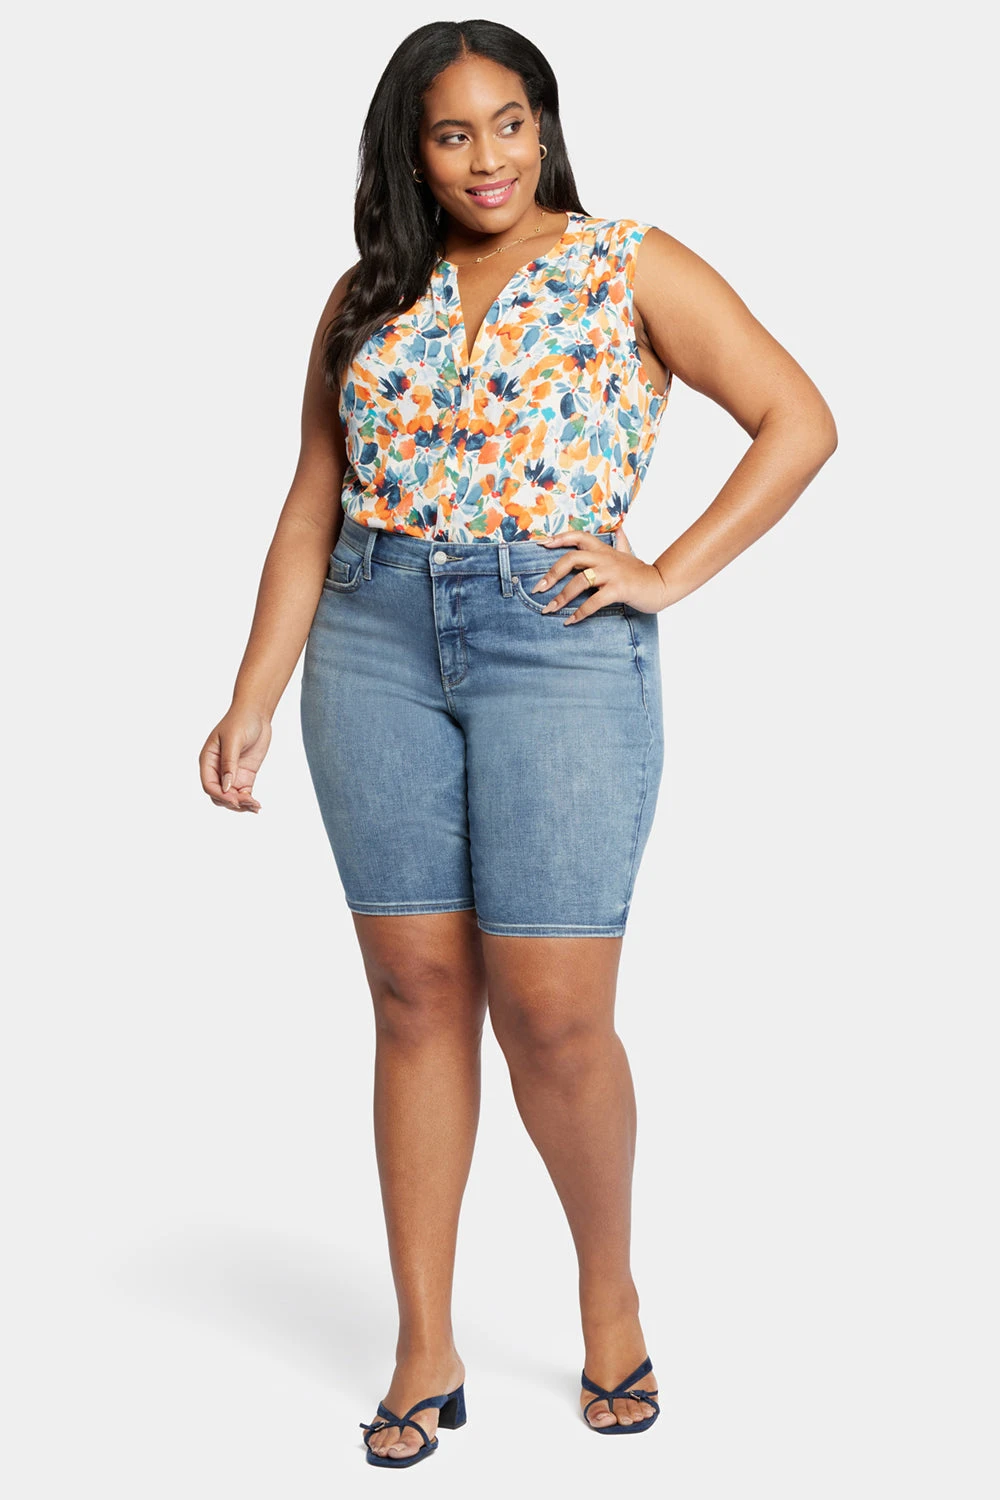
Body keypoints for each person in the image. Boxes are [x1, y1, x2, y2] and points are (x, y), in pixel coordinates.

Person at [198, 18, 837, 1471]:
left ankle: (609, 1298)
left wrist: (664, 573)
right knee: (415, 992)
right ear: (409, 151)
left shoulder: (629, 263)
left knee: (553, 1013)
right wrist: (250, 697)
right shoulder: (367, 293)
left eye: (510, 122)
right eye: (453, 132)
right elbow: (310, 505)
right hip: (370, 638)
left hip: (557, 640)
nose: (487, 157)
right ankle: (425, 1344)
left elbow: (798, 418)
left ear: (545, 126)